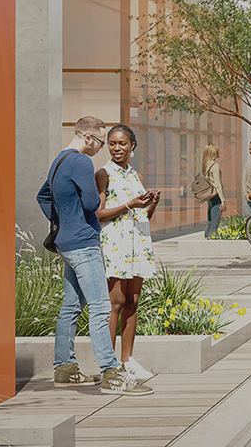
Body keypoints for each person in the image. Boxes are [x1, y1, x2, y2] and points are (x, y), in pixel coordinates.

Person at [38, 115, 140, 394]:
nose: (101, 149)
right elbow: (93, 202)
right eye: (99, 142)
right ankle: (111, 373)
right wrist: (98, 196)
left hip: (66, 243)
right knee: (100, 307)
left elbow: (43, 197)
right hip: (83, 243)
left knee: (70, 307)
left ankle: (65, 368)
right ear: (87, 138)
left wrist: (63, 222)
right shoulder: (82, 161)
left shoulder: (58, 161)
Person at [97, 124, 161, 383]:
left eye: (122, 143)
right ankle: (109, 367)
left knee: (133, 300)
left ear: (132, 146)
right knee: (116, 303)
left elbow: (142, 216)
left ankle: (128, 361)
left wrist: (151, 202)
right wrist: (127, 205)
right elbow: (98, 215)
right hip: (116, 242)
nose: (117, 148)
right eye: (112, 143)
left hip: (138, 240)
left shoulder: (136, 175)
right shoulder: (103, 173)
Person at [192, 144, 224, 238]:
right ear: (213, 153)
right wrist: (223, 200)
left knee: (209, 222)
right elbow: (217, 184)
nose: (219, 153)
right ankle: (212, 243)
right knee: (214, 224)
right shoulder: (215, 165)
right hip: (216, 195)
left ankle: (206, 240)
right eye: (217, 151)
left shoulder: (205, 165)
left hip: (209, 196)